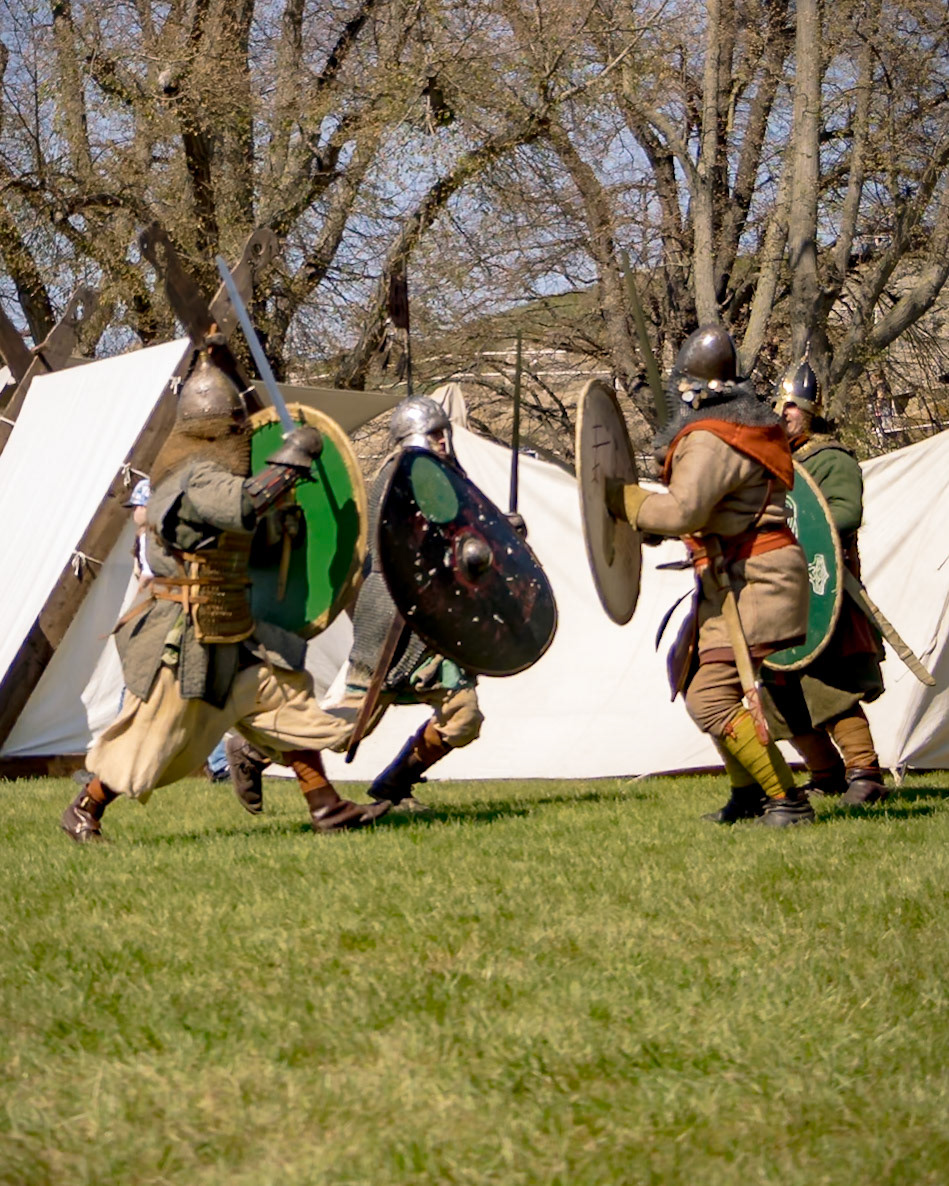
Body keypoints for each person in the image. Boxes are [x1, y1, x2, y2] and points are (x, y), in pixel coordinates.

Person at [60, 350, 390, 842]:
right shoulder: (194, 476)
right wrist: (292, 461)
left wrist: (287, 525)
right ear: (220, 426)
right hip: (186, 637)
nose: (243, 430)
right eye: (237, 423)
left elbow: (242, 535)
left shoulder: (205, 477)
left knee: (283, 697)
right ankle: (84, 809)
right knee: (155, 736)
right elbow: (243, 503)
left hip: (229, 627)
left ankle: (326, 806)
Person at [226, 396, 494, 816]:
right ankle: (253, 750)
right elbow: (399, 547)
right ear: (414, 438)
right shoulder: (396, 479)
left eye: (446, 432)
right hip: (391, 623)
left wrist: (498, 539)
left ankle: (394, 785)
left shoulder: (448, 477)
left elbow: (462, 536)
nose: (443, 440)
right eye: (435, 433)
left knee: (462, 716)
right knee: (342, 730)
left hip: (433, 626)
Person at [606, 325, 814, 826]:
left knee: (710, 696)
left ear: (691, 386)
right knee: (698, 679)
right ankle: (748, 796)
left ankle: (787, 799)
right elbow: (706, 511)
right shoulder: (736, 427)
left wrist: (622, 500)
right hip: (738, 577)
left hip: (758, 578)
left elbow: (683, 512)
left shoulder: (712, 437)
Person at [760, 358, 887, 805]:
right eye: (780, 406)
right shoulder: (774, 465)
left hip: (822, 587)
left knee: (827, 683)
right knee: (777, 687)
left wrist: (800, 523)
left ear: (812, 411)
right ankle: (825, 772)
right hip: (779, 591)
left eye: (792, 406)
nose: (784, 414)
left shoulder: (830, 459)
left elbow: (846, 513)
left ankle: (865, 772)